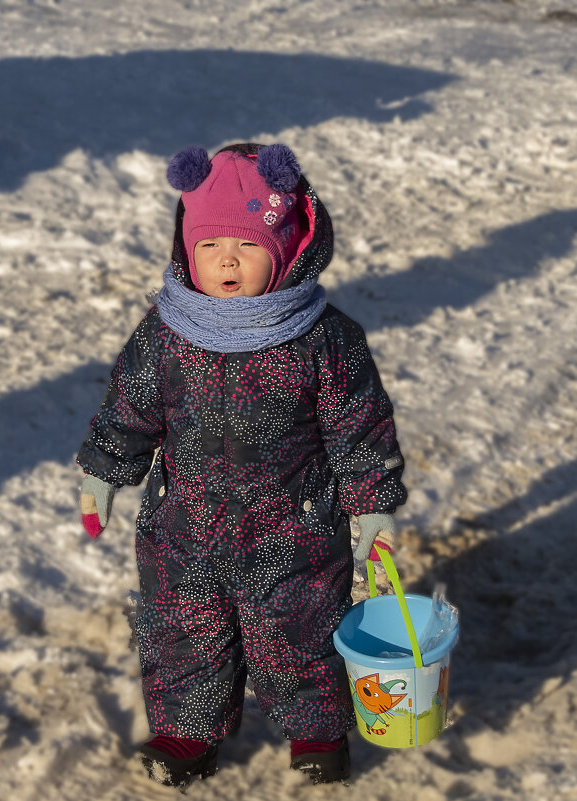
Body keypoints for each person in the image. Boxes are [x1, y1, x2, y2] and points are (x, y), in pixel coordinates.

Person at [76, 142, 407, 787]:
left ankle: (317, 735)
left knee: (303, 636)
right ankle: (185, 734)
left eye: (249, 245)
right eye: (209, 245)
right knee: (181, 632)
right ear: (186, 250)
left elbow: (360, 427)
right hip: (183, 530)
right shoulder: (165, 332)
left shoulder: (323, 337)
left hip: (296, 534)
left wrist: (372, 504)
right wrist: (105, 467)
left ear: (286, 252)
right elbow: (132, 406)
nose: (227, 258)